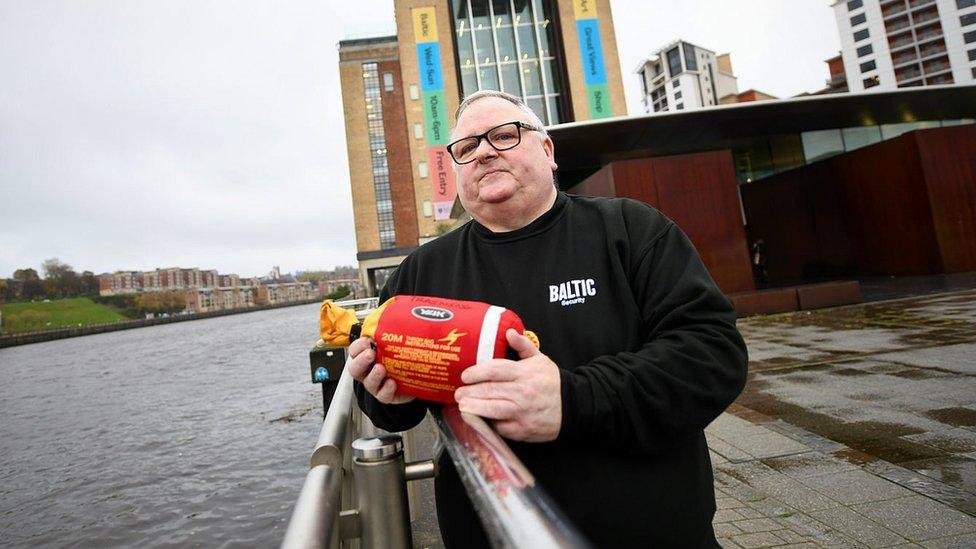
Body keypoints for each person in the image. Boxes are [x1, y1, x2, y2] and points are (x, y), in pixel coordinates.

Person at [348, 89, 748, 548]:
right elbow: (385, 405)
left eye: (503, 135)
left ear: (547, 150)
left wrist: (572, 400)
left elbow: (713, 357)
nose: (483, 152)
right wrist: (385, 394)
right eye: (466, 147)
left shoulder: (631, 231)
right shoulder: (421, 272)